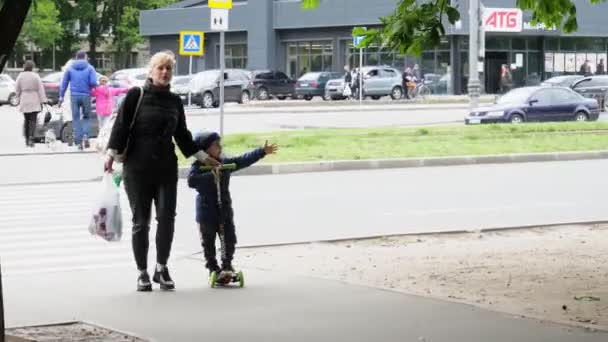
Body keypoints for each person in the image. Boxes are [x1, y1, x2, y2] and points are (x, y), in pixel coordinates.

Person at [104, 50, 218, 292]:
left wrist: (204, 158)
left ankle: (161, 267)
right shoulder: (136, 95)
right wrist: (110, 155)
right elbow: (121, 126)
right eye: (160, 68)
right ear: (151, 71)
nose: (164, 73)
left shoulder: (175, 102)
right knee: (141, 222)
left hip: (166, 168)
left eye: (168, 69)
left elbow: (183, 136)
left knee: (166, 218)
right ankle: (142, 272)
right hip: (137, 169)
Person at [187, 132, 278, 277]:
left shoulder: (224, 163)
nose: (220, 147)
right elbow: (192, 181)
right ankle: (212, 268)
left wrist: (261, 152)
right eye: (216, 145)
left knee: (228, 239)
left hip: (224, 209)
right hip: (206, 211)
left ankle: (227, 264)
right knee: (208, 242)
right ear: (205, 149)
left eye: (219, 144)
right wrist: (211, 175)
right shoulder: (198, 165)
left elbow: (242, 160)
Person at [59, 50, 97, 150]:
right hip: (86, 96)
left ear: (76, 57)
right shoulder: (90, 68)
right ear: (85, 57)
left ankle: (78, 142)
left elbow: (64, 84)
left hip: (74, 96)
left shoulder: (70, 68)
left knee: (75, 119)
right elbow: (93, 82)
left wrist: (61, 97)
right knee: (86, 117)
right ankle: (86, 136)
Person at [15, 60, 47, 147]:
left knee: (26, 120)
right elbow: (41, 89)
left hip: (24, 99)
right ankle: (31, 138)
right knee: (33, 120)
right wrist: (43, 100)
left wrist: (17, 99)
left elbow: (17, 89)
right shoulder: (35, 76)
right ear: (32, 67)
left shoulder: (20, 76)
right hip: (34, 99)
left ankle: (26, 139)